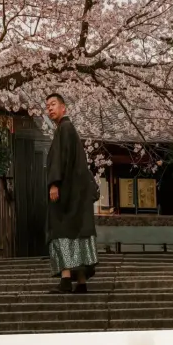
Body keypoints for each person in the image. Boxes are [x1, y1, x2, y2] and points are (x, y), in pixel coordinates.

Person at [44, 93, 98, 294]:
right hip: (77, 195)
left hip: (66, 194)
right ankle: (81, 281)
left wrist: (54, 183)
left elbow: (60, 159)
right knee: (77, 232)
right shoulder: (68, 130)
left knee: (62, 231)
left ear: (64, 108)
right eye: (47, 105)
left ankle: (66, 280)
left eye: (53, 104)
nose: (50, 108)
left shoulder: (64, 129)